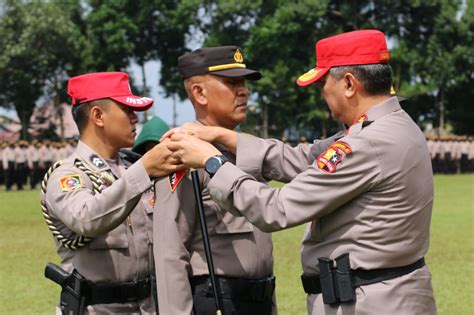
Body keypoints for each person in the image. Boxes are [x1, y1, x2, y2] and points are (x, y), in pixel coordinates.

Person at [165, 30, 437, 314]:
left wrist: (212, 162)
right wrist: (223, 136)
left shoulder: (364, 143)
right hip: (390, 294)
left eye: (323, 82)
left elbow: (276, 209)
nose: (322, 93)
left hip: (371, 301)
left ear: (348, 84)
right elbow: (304, 158)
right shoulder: (396, 126)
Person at [154, 46, 291, 315]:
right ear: (199, 93)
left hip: (258, 298)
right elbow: (170, 251)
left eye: (243, 83)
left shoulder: (245, 150)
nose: (244, 91)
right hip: (218, 300)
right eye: (232, 83)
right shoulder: (183, 153)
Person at [41, 71, 184, 314]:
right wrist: (145, 170)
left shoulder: (133, 168)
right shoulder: (67, 176)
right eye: (127, 110)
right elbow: (86, 218)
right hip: (97, 309)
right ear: (98, 116)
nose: (135, 119)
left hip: (148, 307)